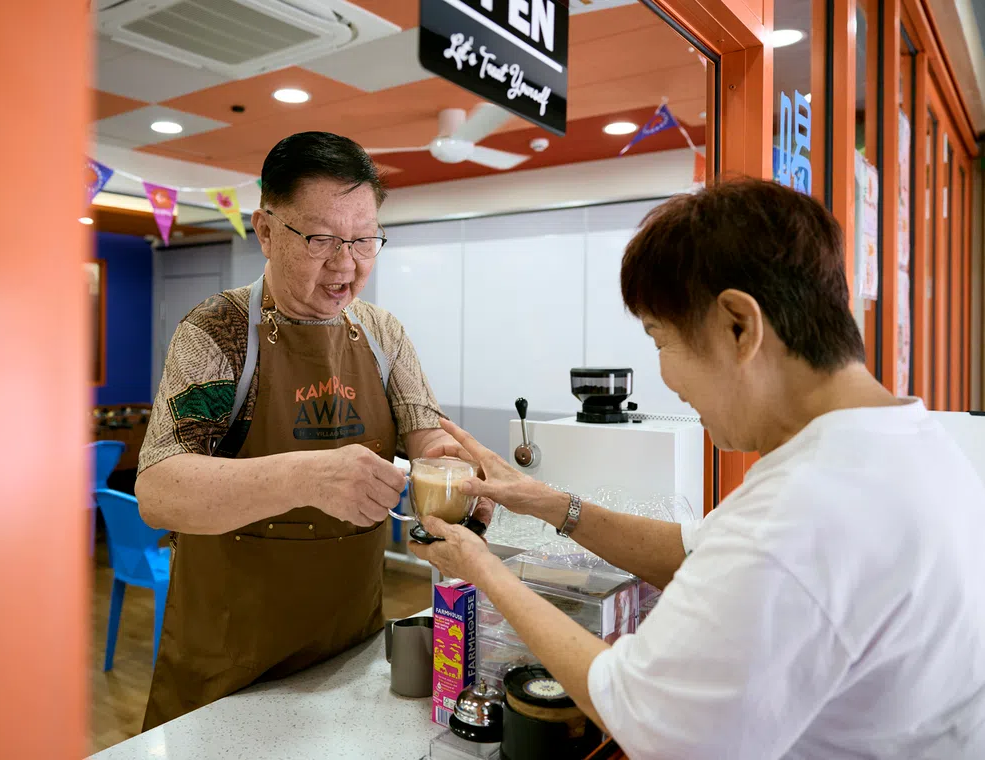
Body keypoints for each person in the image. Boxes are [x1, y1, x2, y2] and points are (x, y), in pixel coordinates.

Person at [411, 177, 985, 759]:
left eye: (661, 341)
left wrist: (481, 567)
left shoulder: (801, 512)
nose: (669, 381)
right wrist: (548, 502)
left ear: (740, 325)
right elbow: (693, 553)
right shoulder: (915, 443)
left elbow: (638, 711)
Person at [135, 131, 490, 729]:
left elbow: (424, 431)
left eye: (363, 240)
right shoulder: (217, 333)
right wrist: (309, 475)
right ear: (266, 231)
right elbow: (159, 490)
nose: (346, 265)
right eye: (322, 238)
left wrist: (451, 465)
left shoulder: (382, 334)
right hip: (229, 664)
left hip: (348, 651)